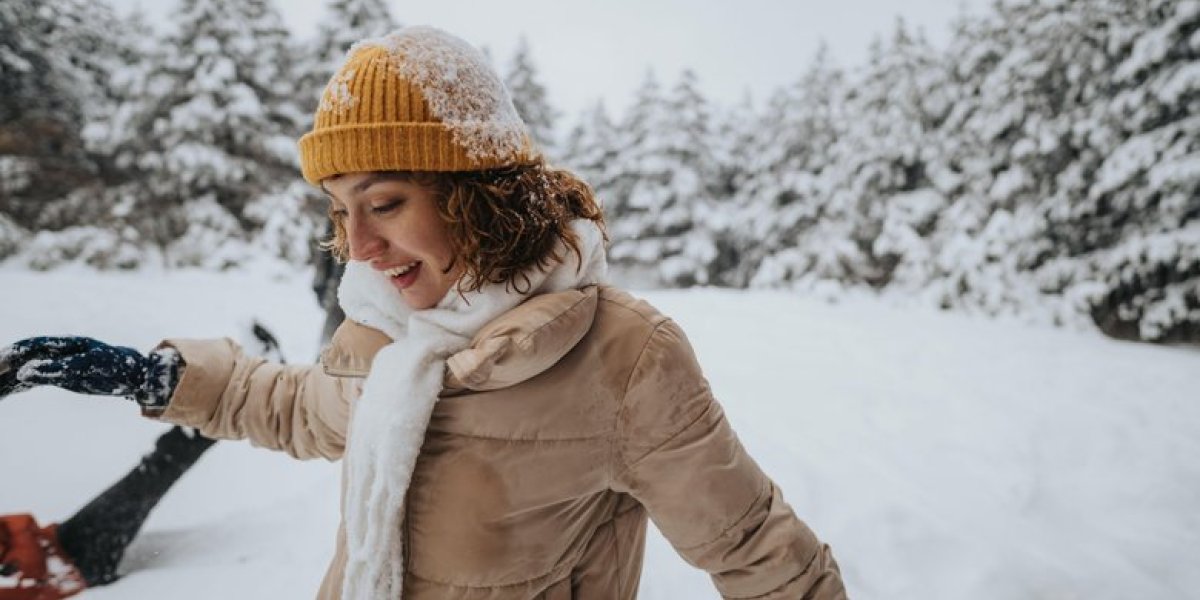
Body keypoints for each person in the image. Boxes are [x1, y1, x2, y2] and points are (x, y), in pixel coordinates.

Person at [0, 26, 846, 599]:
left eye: (386, 202)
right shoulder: (391, 338)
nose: (358, 245)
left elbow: (761, 555)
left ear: (479, 195)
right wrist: (153, 376)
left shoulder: (625, 354)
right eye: (340, 211)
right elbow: (302, 408)